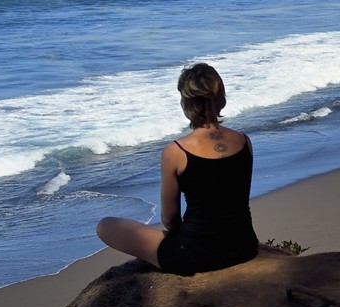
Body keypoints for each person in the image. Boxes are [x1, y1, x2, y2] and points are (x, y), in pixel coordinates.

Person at [97, 63, 259, 275]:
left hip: (196, 255)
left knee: (105, 225)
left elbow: (170, 220)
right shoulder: (244, 141)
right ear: (222, 99)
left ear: (186, 105)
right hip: (244, 246)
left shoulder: (176, 151)